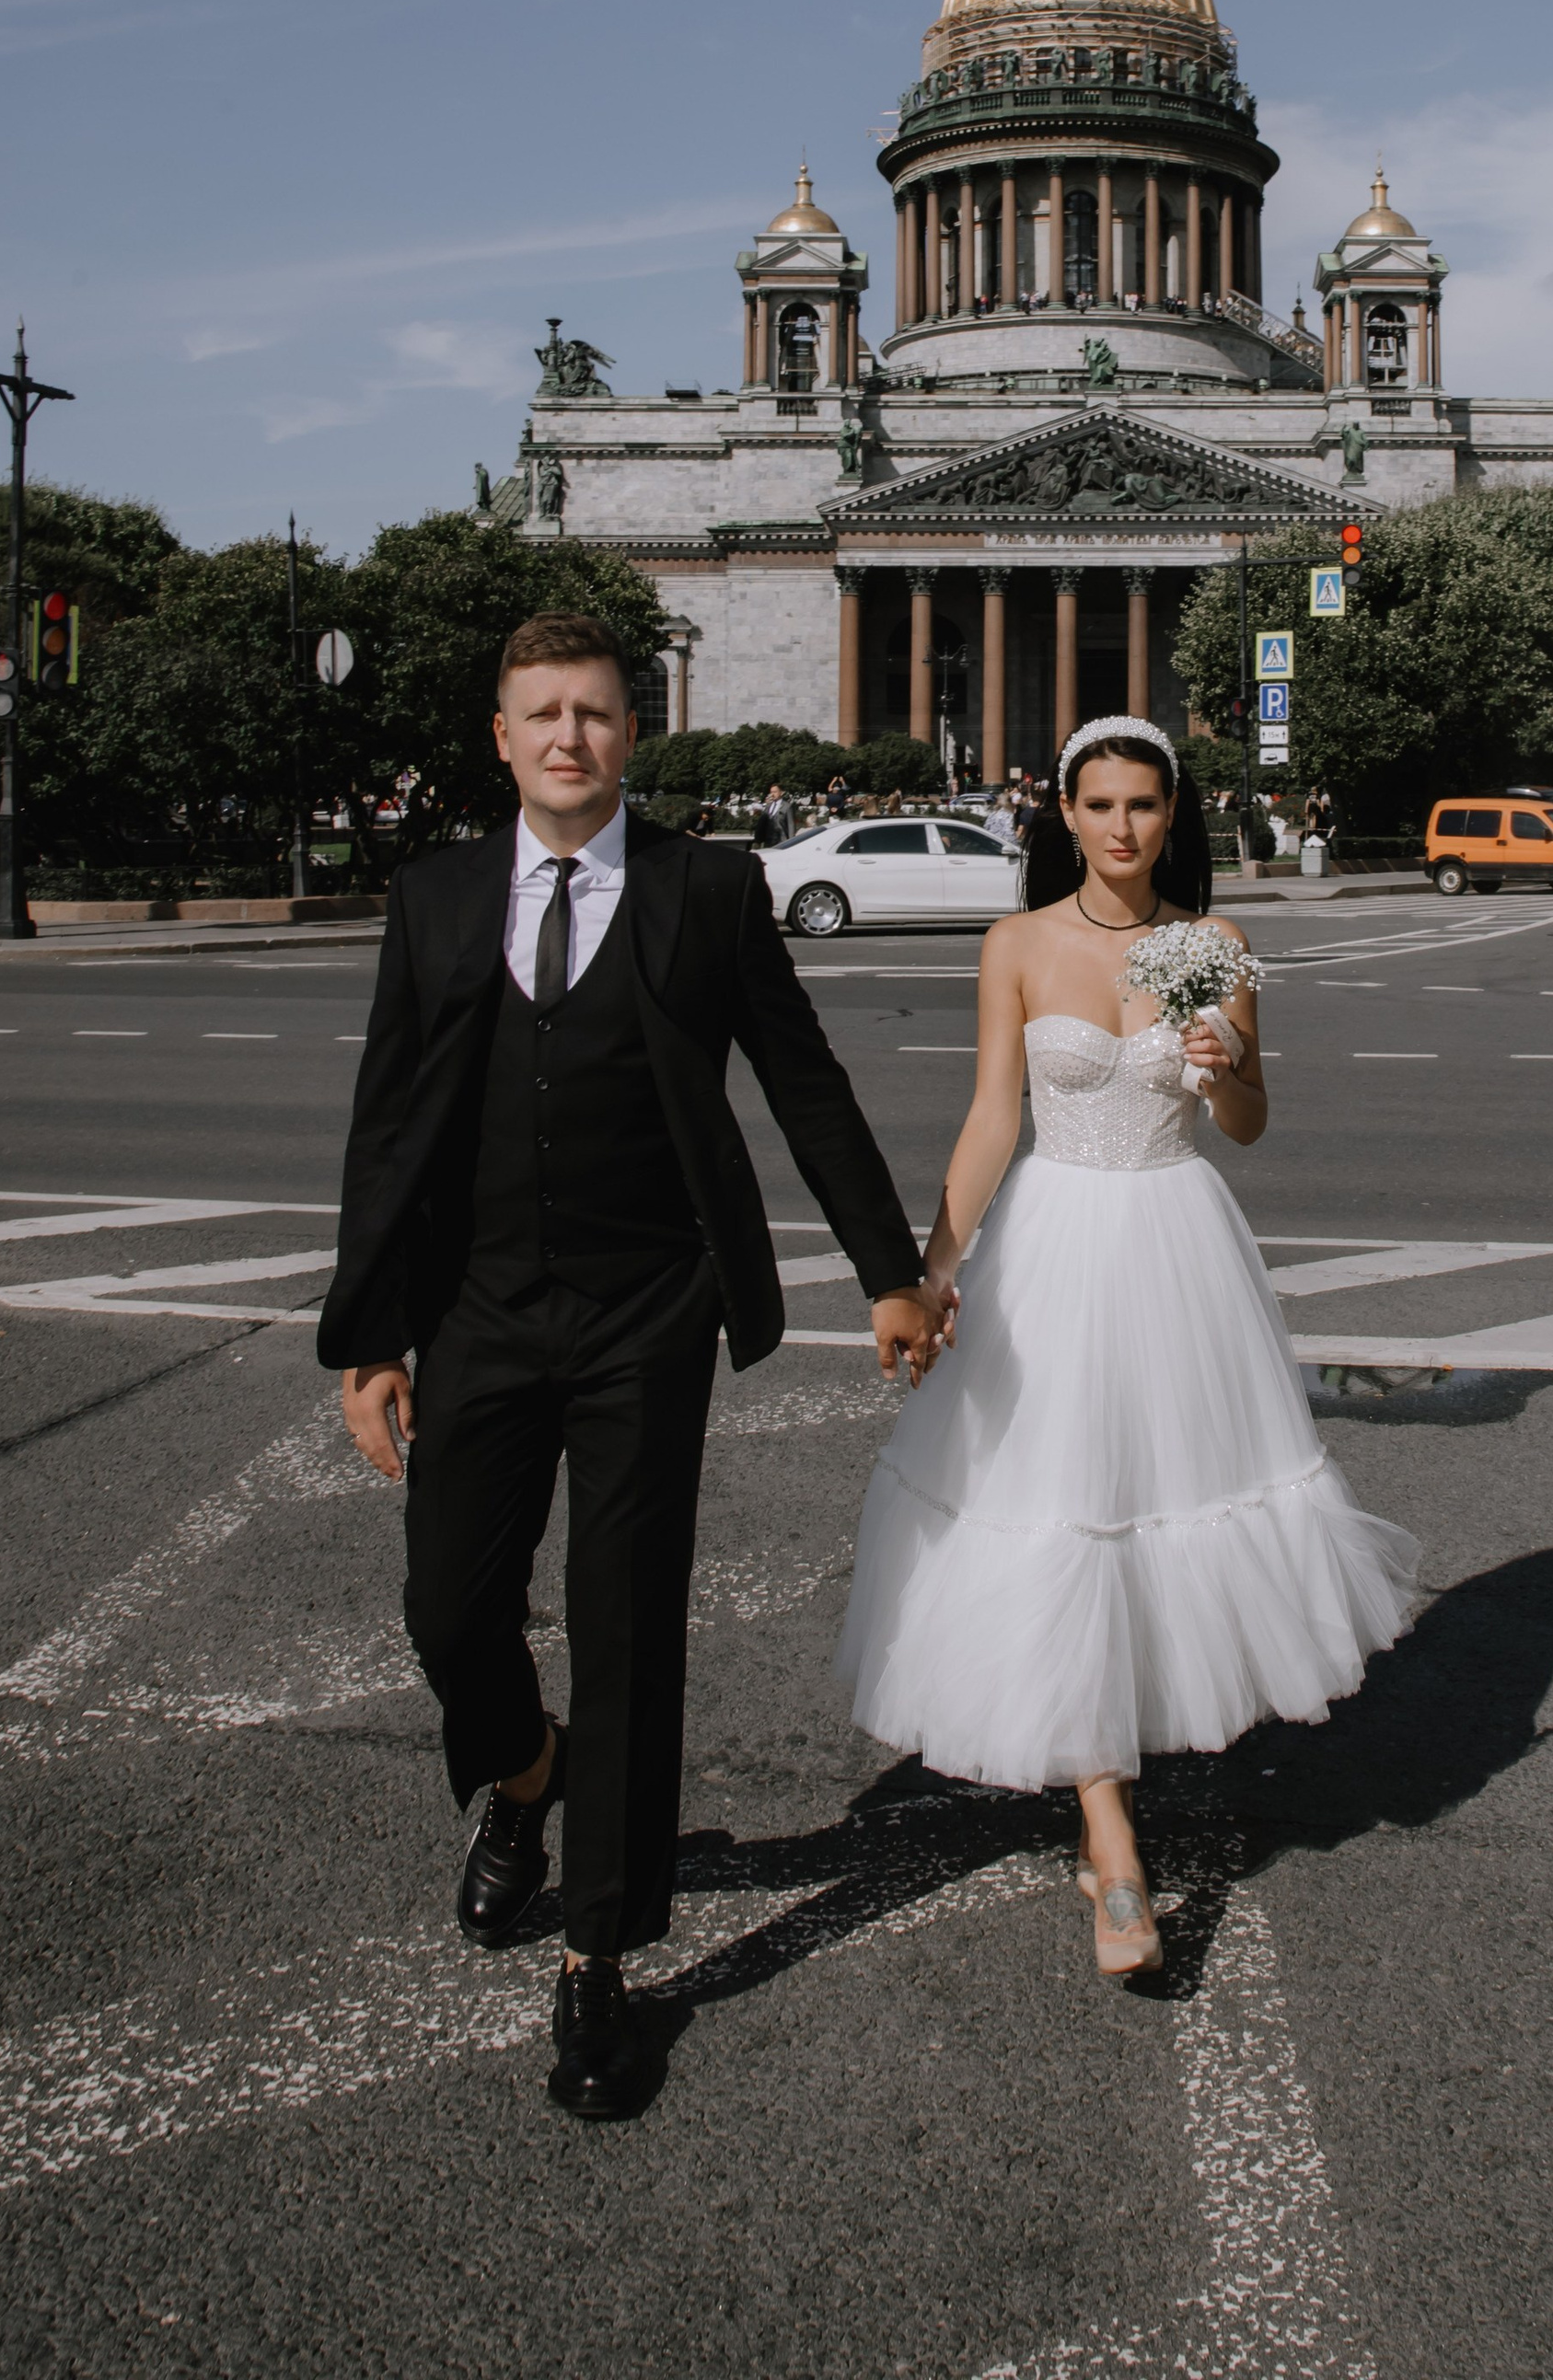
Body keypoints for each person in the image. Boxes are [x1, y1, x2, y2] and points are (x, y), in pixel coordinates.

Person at [319, 614, 943, 2121]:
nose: (568, 737)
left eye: (593, 713)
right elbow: (388, 1124)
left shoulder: (705, 889)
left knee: (627, 1627)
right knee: (448, 1610)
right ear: (502, 736)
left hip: (646, 1314)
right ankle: (525, 1773)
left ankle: (598, 1953)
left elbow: (804, 1084)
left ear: (630, 731)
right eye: (542, 714)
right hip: (476, 1310)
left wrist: (889, 1272)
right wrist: (371, 1335)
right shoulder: (436, 895)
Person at [836, 714, 1418, 1978]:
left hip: (1175, 1242)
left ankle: (1128, 1752)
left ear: (1170, 815)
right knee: (1059, 1504)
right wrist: (932, 1275)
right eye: (1098, 804)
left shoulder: (1214, 947)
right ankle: (1110, 1836)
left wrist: (1223, 1064)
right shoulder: (1017, 944)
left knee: (1163, 1503)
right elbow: (992, 1118)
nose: (1120, 827)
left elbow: (1249, 1123)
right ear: (1066, 814)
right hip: (1050, 1245)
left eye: (1143, 805)